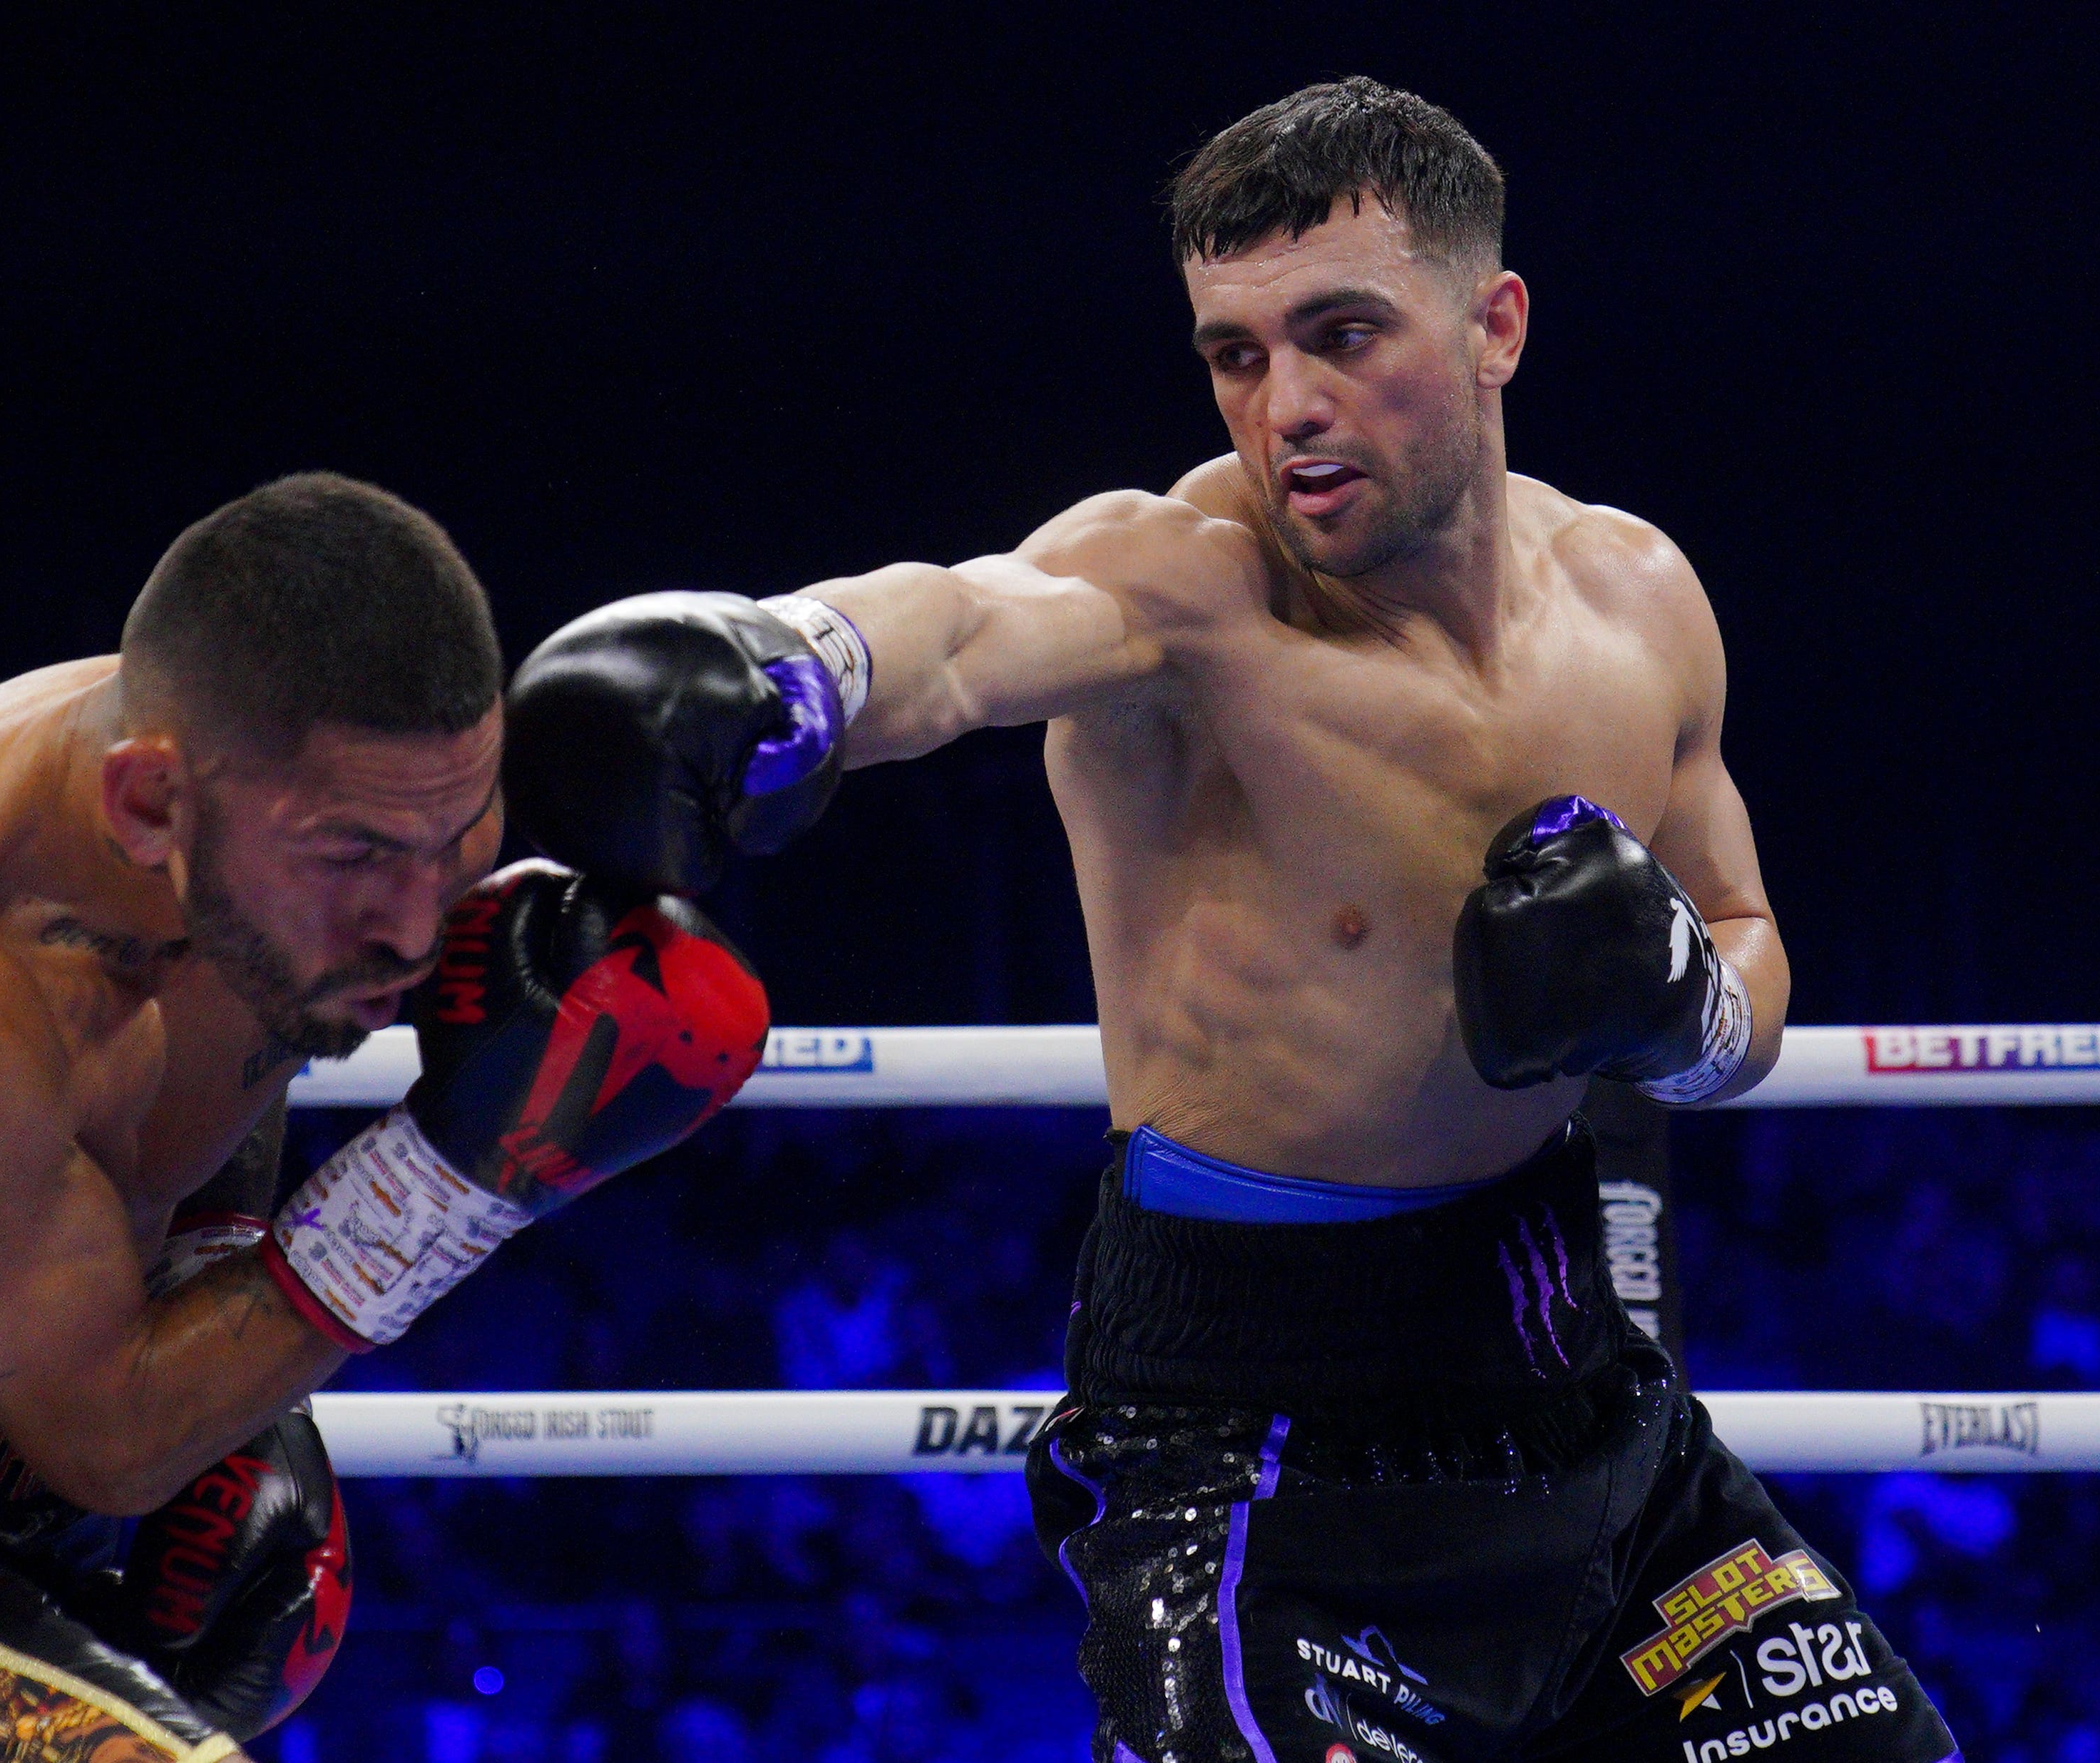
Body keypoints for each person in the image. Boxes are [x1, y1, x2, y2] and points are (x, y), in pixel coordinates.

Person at [501, 81, 1957, 1763]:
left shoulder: (1640, 599)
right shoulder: (1189, 591)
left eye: (1341, 334)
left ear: (1497, 325)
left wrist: (1686, 1014)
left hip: (1575, 1378)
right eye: (1237, 354)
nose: (1289, 412)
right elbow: (971, 627)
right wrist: (793, 662)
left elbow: (1748, 942)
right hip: (1248, 1427)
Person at [0, 472, 770, 1761]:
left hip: (27, 1534)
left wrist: (224, 1305)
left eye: (455, 840)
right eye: (358, 858)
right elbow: (116, 1444)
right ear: (148, 806)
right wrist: (456, 1176)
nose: (415, 920)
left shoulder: (273, 806)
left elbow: (942, 643)